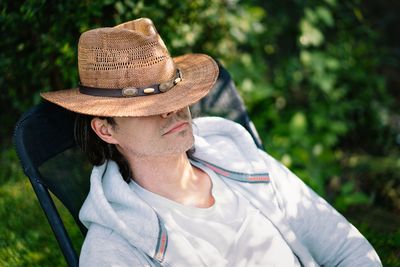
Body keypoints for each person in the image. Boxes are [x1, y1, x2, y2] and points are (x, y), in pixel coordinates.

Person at [41, 18, 382, 267]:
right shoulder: (115, 250)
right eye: (148, 108)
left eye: (176, 96)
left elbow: (348, 250)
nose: (173, 111)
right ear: (106, 130)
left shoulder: (247, 163)